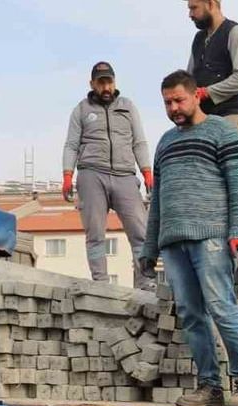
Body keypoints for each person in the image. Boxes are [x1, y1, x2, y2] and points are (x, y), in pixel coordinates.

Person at [137, 70, 238, 406]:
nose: (174, 107)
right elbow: (158, 199)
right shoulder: (164, 143)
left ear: (196, 96)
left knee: (221, 307)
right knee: (192, 315)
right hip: (173, 243)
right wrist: (150, 248)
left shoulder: (223, 132)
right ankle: (210, 385)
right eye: (167, 102)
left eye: (179, 100)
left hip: (212, 236)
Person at [63, 61, 156, 290]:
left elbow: (139, 141)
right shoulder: (81, 110)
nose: (106, 87)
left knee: (140, 233)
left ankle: (146, 283)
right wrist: (67, 174)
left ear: (115, 82)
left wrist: (147, 172)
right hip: (91, 174)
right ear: (92, 84)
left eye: (109, 82)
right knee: (95, 233)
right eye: (101, 82)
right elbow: (71, 145)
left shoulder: (128, 106)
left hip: (125, 175)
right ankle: (101, 284)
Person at [185, 0, 238, 144]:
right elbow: (189, 79)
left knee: (229, 163)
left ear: (210, 4)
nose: (190, 14)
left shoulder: (236, 33)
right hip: (205, 117)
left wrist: (207, 92)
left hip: (233, 114)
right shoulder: (199, 39)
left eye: (194, 8)